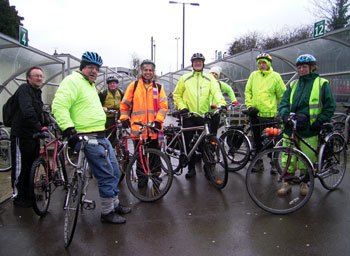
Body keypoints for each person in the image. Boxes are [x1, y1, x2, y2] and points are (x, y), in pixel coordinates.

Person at [52, 51, 131, 224]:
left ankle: (114, 203)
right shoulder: (73, 81)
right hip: (88, 137)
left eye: (96, 68)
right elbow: (59, 105)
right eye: (90, 67)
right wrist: (68, 129)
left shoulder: (89, 85)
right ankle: (107, 212)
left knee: (116, 172)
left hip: (100, 135)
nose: (94, 71)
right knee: (106, 174)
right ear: (82, 68)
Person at [278, 54, 336, 196]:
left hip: (310, 128)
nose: (301, 70)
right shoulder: (293, 84)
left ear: (312, 68)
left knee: (307, 157)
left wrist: (320, 120)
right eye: (299, 67)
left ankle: (305, 182)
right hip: (291, 126)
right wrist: (284, 114)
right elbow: (284, 102)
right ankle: (287, 183)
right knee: (288, 156)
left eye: (304, 67)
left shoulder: (321, 83)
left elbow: (330, 105)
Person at [173, 53, 226, 179]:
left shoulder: (209, 78)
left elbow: (216, 92)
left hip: (203, 116)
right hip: (189, 116)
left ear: (203, 64)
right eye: (195, 61)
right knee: (189, 143)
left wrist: (222, 104)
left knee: (205, 144)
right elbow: (176, 94)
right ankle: (191, 169)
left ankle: (207, 168)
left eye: (200, 61)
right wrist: (182, 108)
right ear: (192, 63)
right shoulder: (184, 78)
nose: (198, 63)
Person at [119, 59, 168, 187]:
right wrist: (124, 118)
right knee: (139, 156)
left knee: (155, 156)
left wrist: (158, 120)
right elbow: (124, 105)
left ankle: (156, 178)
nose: (148, 72)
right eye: (145, 70)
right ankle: (142, 180)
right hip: (138, 130)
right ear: (142, 71)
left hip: (154, 129)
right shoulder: (134, 86)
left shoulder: (158, 87)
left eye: (150, 70)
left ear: (153, 72)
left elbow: (163, 106)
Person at [10, 66, 46, 207]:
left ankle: (28, 194)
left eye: (41, 76)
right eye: (36, 76)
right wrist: (39, 127)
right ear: (28, 78)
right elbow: (27, 111)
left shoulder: (37, 92)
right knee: (21, 167)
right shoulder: (24, 89)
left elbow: (39, 112)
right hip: (21, 134)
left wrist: (45, 125)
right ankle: (18, 196)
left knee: (31, 166)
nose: (39, 78)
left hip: (33, 135)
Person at [244, 52, 286, 172]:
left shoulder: (275, 77)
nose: (261, 65)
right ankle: (258, 163)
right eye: (259, 63)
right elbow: (248, 92)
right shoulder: (253, 75)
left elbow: (282, 95)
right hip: (255, 114)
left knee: (271, 141)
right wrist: (250, 106)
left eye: (264, 63)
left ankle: (273, 163)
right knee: (257, 141)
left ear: (268, 64)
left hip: (269, 115)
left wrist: (283, 109)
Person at [99, 75, 124, 143]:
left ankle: (118, 145)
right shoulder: (103, 93)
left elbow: (124, 103)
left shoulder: (120, 92)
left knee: (119, 131)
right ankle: (108, 144)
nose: (112, 85)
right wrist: (102, 108)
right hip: (108, 116)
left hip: (118, 115)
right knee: (109, 132)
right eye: (110, 83)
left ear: (117, 84)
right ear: (108, 85)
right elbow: (97, 103)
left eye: (114, 83)